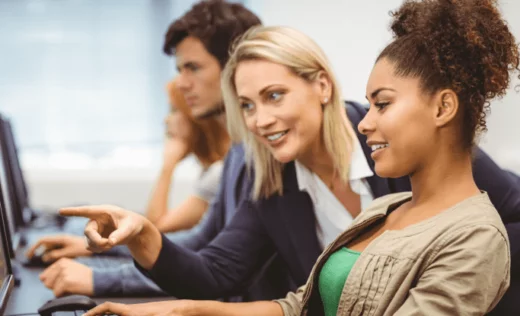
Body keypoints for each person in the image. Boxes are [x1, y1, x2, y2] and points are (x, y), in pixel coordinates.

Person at [69, 10, 520, 316]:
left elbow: (493, 226)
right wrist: (146, 238)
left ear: (322, 86)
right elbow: (225, 276)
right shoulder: (273, 178)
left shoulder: (412, 148)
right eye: (246, 106)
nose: (260, 121)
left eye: (274, 96)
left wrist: (466, 270)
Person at [32, 0, 263, 298]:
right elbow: (198, 243)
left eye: (192, 68)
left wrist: (98, 279)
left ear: (237, 67)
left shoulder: (265, 159)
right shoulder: (238, 153)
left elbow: (217, 268)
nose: (180, 84)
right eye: (179, 69)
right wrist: (121, 243)